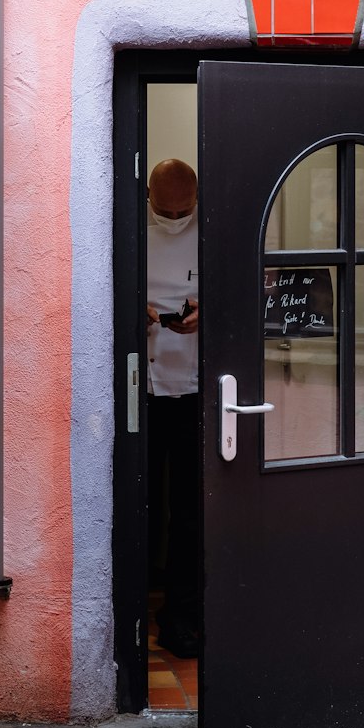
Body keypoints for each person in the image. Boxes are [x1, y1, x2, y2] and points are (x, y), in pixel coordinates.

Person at [145, 158, 200, 659]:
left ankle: (181, 619)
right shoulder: (130, 225)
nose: (175, 219)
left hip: (198, 390)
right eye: (166, 211)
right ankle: (131, 614)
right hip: (139, 386)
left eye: (184, 211)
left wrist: (210, 312)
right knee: (139, 505)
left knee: (190, 513)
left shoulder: (216, 228)